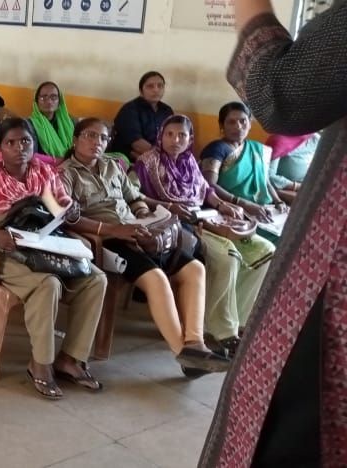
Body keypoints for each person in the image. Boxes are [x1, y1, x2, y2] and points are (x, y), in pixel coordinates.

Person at [201, 1, 347, 466]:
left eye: (245, 120)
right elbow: (210, 187)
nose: (240, 125)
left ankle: (225, 329)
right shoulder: (216, 152)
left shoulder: (258, 154)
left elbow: (282, 91)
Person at [60, 118, 230, 375]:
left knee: (194, 268)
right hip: (108, 239)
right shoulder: (65, 173)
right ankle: (183, 355)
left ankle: (196, 343)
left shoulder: (112, 167)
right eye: (90, 136)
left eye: (103, 138)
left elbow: (135, 197)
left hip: (136, 231)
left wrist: (143, 217)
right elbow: (67, 217)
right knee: (156, 278)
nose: (97, 143)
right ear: (75, 139)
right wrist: (112, 230)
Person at [0, 118, 106, 400]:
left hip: (41, 246)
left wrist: (68, 213)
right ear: (0, 147)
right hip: (3, 251)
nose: (19, 148)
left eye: (25, 141)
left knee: (96, 278)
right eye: (11, 142)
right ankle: (41, 363)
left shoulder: (43, 173)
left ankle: (71, 359)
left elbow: (58, 209)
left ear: (33, 143)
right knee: (47, 283)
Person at [133, 115, 275, 358]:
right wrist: (168, 205)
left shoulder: (189, 161)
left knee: (266, 251)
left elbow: (205, 190)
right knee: (228, 256)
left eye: (182, 135)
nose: (175, 140)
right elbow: (135, 194)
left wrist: (222, 204)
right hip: (178, 224)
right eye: (169, 134)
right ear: (161, 135)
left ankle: (236, 319)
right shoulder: (147, 162)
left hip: (207, 218)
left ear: (190, 139)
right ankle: (223, 331)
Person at [199, 102, 288, 242]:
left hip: (262, 207)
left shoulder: (256, 149)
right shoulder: (217, 149)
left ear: (250, 123)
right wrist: (243, 203)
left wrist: (278, 201)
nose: (238, 126)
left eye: (243, 121)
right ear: (222, 125)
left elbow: (264, 180)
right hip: (232, 210)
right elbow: (208, 184)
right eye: (231, 122)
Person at [111, 71, 175, 160]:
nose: (156, 90)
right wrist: (162, 158)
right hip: (127, 158)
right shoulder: (130, 110)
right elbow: (137, 145)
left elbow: (172, 137)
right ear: (141, 91)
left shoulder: (166, 110)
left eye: (160, 86)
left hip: (157, 157)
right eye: (150, 86)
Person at [266, 132, 318, 203]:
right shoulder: (278, 140)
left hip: (307, 185)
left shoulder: (315, 139)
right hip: (283, 188)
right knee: (307, 201)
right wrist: (298, 187)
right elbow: (268, 176)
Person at [29, 81, 76, 159]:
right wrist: (57, 161)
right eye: (43, 97)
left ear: (60, 101)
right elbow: (32, 155)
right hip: (44, 167)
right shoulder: (30, 124)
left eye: (53, 97)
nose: (49, 101)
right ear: (36, 102)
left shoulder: (70, 122)